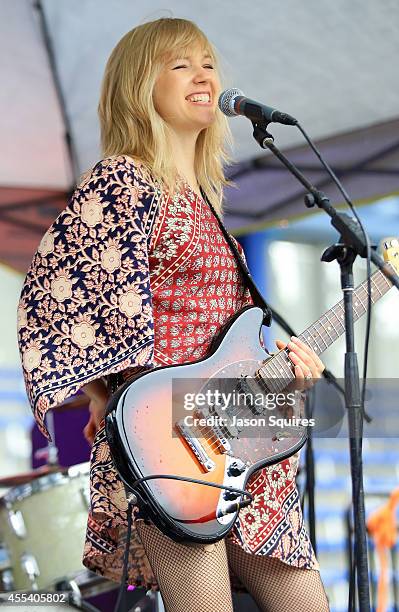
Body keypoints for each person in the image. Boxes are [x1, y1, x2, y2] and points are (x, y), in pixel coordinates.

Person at [17, 17, 329, 612]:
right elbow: (59, 292)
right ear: (140, 86)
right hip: (173, 440)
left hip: (242, 428)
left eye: (209, 62)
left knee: (304, 600)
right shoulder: (122, 180)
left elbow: (223, 329)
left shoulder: (205, 201)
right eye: (181, 63)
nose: (204, 74)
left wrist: (285, 367)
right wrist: (105, 389)